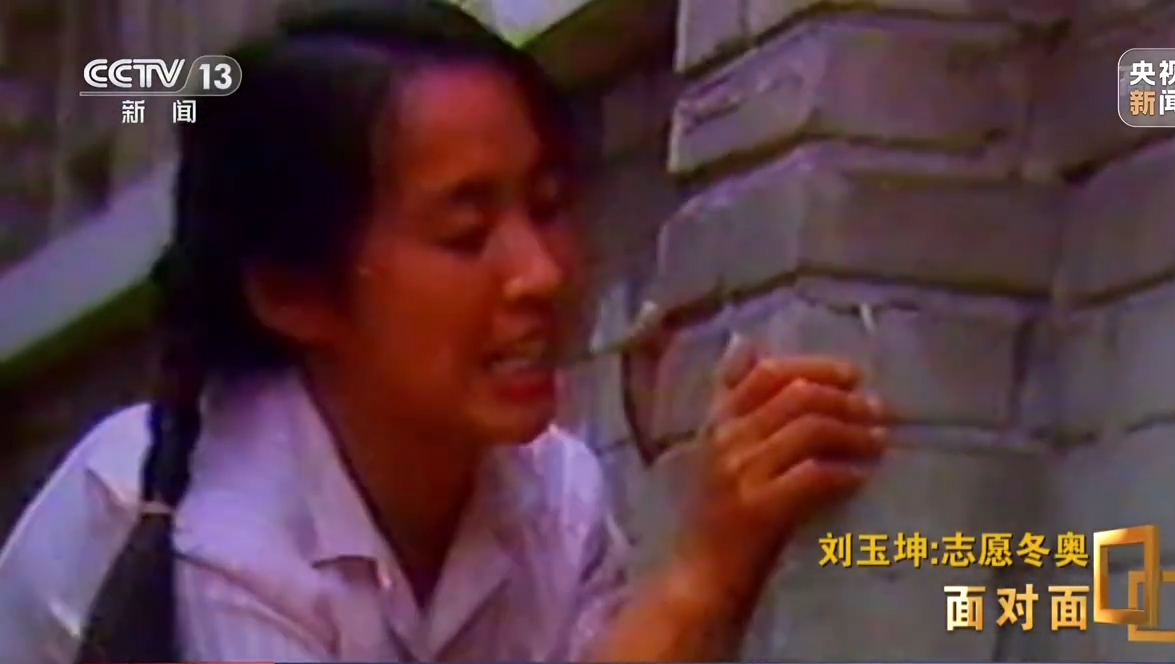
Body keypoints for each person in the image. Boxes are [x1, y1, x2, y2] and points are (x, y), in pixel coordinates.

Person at [0, 1, 890, 662]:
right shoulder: (209, 535)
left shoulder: (552, 495)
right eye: (466, 234)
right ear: (292, 293)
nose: (541, 273)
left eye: (548, 206)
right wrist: (703, 571)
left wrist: (713, 533)